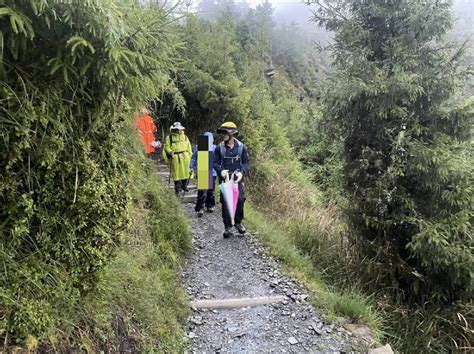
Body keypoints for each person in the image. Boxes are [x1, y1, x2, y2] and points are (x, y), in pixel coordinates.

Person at [213, 122, 250, 238]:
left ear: (231, 134)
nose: (223, 135)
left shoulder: (241, 147)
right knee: (226, 201)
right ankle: (227, 226)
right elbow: (214, 162)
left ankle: (238, 223)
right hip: (225, 178)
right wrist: (220, 170)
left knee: (239, 199)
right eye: (222, 133)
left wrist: (241, 172)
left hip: (237, 178)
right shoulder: (219, 148)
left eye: (225, 133)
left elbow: (246, 163)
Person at [189, 132, 217, 217]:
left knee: (210, 190)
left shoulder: (215, 148)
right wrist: (191, 166)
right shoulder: (199, 147)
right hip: (203, 170)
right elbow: (194, 157)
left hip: (212, 171)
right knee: (202, 190)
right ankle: (200, 208)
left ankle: (210, 205)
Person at [163, 122, 192, 195]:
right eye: (176, 129)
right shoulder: (169, 137)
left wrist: (190, 155)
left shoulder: (185, 136)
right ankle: (177, 189)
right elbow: (167, 147)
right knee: (176, 174)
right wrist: (170, 152)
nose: (178, 130)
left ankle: (184, 186)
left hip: (185, 157)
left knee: (186, 172)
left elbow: (189, 146)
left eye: (179, 129)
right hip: (175, 158)